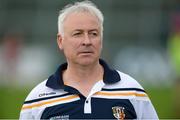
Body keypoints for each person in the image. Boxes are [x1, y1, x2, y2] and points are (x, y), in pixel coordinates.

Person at [19, 1, 158, 119]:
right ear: (60, 41)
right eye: (78, 34)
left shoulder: (132, 91)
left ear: (101, 39)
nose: (87, 41)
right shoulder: (37, 99)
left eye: (93, 33)